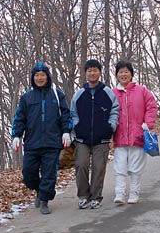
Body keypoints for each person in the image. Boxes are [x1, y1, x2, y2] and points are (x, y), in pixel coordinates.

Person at [12, 62, 72, 215]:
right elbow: (20, 118)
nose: (40, 78)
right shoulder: (26, 97)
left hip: (52, 142)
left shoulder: (57, 95)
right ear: (33, 78)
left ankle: (44, 200)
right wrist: (16, 135)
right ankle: (39, 190)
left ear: (48, 77)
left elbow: (66, 114)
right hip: (32, 143)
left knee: (49, 174)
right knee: (28, 174)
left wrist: (66, 131)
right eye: (37, 75)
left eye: (42, 75)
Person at [70, 59, 120, 210]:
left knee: (99, 168)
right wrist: (76, 127)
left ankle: (96, 197)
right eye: (89, 70)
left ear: (100, 72)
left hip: (102, 138)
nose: (92, 73)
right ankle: (83, 196)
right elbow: (73, 114)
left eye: (95, 70)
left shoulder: (107, 93)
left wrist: (110, 126)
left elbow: (115, 111)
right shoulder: (79, 94)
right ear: (85, 73)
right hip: (82, 138)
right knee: (81, 165)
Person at [112, 60, 158, 204]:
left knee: (135, 166)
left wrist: (147, 124)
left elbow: (152, 106)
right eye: (121, 72)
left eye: (126, 71)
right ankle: (119, 193)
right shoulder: (112, 93)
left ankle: (134, 193)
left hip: (137, 135)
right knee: (119, 166)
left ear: (131, 74)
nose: (123, 74)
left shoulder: (142, 90)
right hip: (119, 136)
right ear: (117, 75)